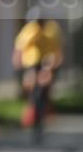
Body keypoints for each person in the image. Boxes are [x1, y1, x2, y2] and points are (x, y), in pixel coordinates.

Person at [13, 8, 64, 144]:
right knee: (31, 88)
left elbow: (57, 53)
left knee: (44, 89)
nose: (39, 25)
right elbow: (19, 49)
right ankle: (32, 108)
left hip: (46, 63)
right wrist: (18, 63)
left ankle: (44, 109)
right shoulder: (29, 31)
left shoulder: (51, 31)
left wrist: (50, 69)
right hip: (31, 63)